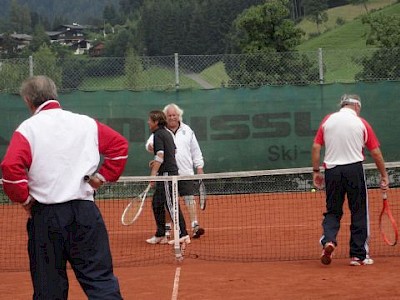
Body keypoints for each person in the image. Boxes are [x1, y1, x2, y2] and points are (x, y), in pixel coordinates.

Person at [1, 75, 128, 299]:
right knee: (100, 282)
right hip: (85, 213)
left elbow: (11, 168)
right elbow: (119, 146)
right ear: (54, 93)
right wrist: (102, 176)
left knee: (49, 288)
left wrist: (25, 200)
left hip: (46, 217)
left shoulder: (28, 129)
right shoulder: (85, 123)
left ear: (28, 101)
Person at [311, 94, 389, 266]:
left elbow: (316, 147)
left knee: (333, 211)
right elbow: (375, 152)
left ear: (343, 105)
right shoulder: (361, 123)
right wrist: (383, 175)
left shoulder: (328, 120)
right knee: (359, 211)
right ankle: (358, 256)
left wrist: (316, 171)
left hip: (332, 171)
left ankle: (329, 241)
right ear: (357, 107)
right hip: (354, 170)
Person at [146, 103, 205, 239]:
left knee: (189, 198)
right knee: (169, 201)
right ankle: (167, 228)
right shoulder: (161, 132)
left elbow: (195, 150)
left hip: (185, 172)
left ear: (179, 116)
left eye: (174, 115)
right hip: (168, 173)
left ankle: (195, 226)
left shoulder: (188, 130)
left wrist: (199, 166)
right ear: (165, 117)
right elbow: (151, 146)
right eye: (169, 115)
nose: (172, 117)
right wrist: (154, 152)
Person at [146, 110, 191, 245]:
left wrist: (153, 175)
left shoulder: (159, 134)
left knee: (171, 205)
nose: (148, 122)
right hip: (166, 173)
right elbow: (173, 151)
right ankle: (160, 234)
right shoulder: (167, 133)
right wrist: (157, 164)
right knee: (157, 203)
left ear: (156, 122)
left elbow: (160, 155)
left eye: (150, 120)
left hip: (166, 175)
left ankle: (183, 234)